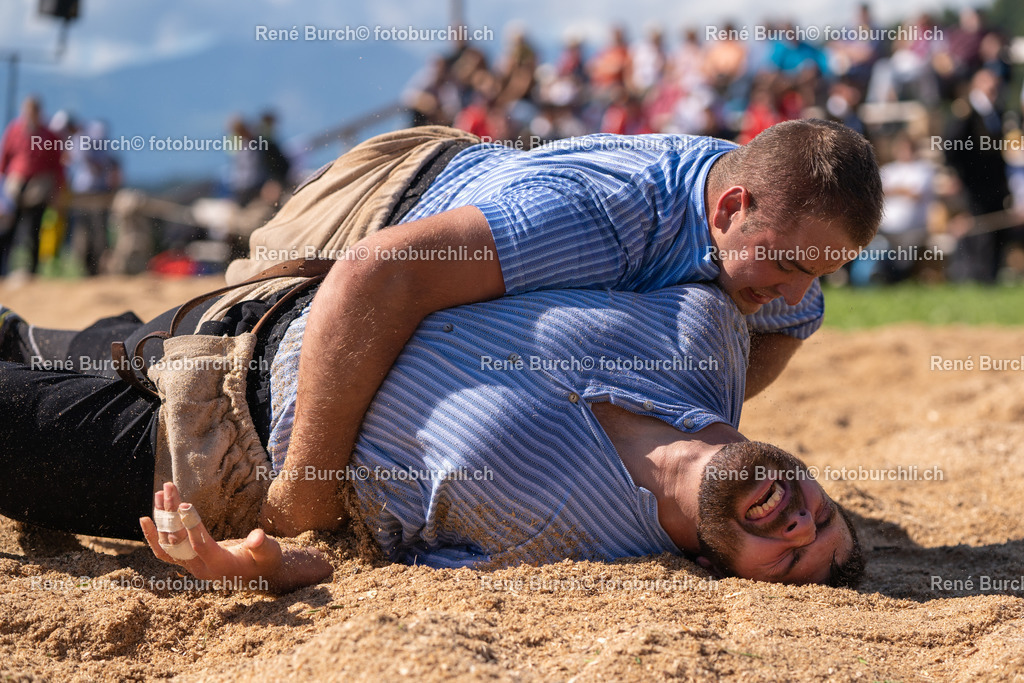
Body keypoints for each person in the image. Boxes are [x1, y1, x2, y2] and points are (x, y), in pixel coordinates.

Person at [0, 281, 863, 593]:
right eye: (825, 520)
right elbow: (787, 266)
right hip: (259, 318)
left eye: (791, 559)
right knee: (27, 343)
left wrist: (249, 563)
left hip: (209, 461)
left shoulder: (591, 555)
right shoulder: (706, 336)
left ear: (728, 573)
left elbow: (357, 567)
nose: (800, 528)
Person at [248, 118, 883, 537]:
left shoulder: (776, 241)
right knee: (228, 343)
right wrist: (308, 493)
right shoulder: (605, 215)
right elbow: (380, 271)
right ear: (730, 208)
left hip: (467, 204)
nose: (797, 292)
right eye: (792, 265)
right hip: (371, 201)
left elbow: (790, 325)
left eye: (824, 271)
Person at [0, 96, 65, 276]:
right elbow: (5, 157)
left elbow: (57, 166)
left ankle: (32, 271)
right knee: (8, 230)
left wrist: (57, 191)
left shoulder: (49, 135)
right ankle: (4, 270)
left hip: (39, 187)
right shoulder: (14, 130)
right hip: (15, 184)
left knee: (33, 230)